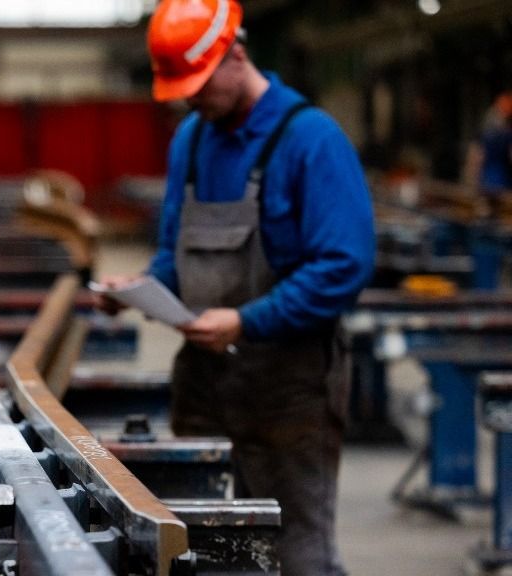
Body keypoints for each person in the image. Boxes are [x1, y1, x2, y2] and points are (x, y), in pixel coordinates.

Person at [95, 1, 375, 574]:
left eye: (197, 84)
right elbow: (176, 254)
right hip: (205, 386)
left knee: (299, 552)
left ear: (236, 55)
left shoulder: (311, 140)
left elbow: (344, 265)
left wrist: (248, 320)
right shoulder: (192, 142)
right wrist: (140, 288)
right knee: (202, 549)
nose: (190, 100)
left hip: (290, 389)